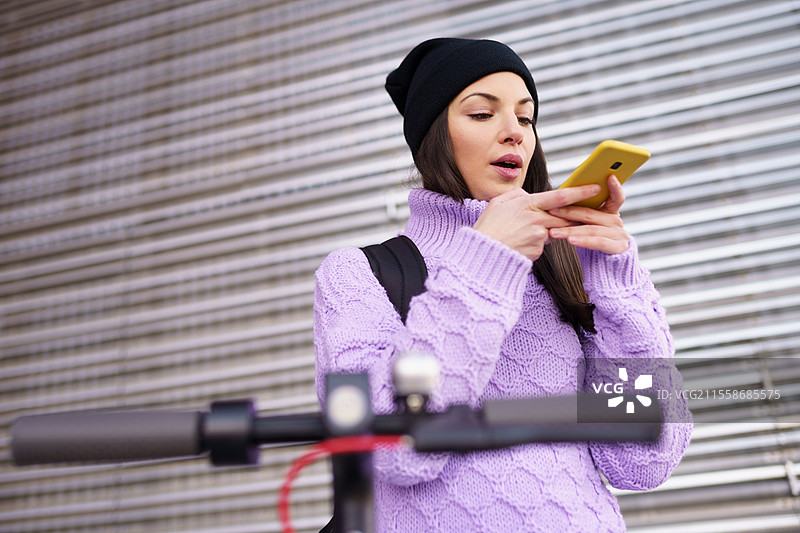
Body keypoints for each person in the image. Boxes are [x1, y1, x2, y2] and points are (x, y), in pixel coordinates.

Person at [313, 38, 691, 532]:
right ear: (435, 136)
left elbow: (644, 460)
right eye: (481, 114)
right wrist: (484, 262)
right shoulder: (357, 274)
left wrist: (615, 287)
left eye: (526, 117)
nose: (514, 132)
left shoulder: (562, 269)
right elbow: (393, 452)